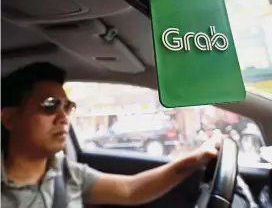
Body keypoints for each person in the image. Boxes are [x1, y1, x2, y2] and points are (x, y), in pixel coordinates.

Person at [1, 62, 221, 208]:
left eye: (67, 107)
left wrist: (193, 159)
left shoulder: (67, 172)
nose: (63, 117)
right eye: (50, 105)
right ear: (10, 118)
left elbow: (130, 190)